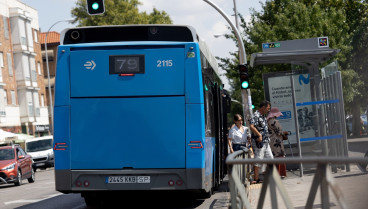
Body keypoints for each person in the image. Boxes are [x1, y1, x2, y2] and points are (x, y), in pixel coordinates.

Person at [249, 100, 273, 184]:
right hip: (259, 142)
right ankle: (256, 178)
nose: (268, 110)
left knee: (270, 159)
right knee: (258, 160)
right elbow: (251, 126)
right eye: (268, 108)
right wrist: (259, 135)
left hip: (266, 141)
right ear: (263, 107)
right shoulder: (256, 115)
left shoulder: (263, 116)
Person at [267, 107, 289, 178]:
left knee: (275, 157)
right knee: (280, 156)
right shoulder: (274, 121)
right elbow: (279, 132)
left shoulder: (268, 121)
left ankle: (276, 174)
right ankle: (281, 174)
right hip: (277, 142)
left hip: (271, 141)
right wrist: (285, 132)